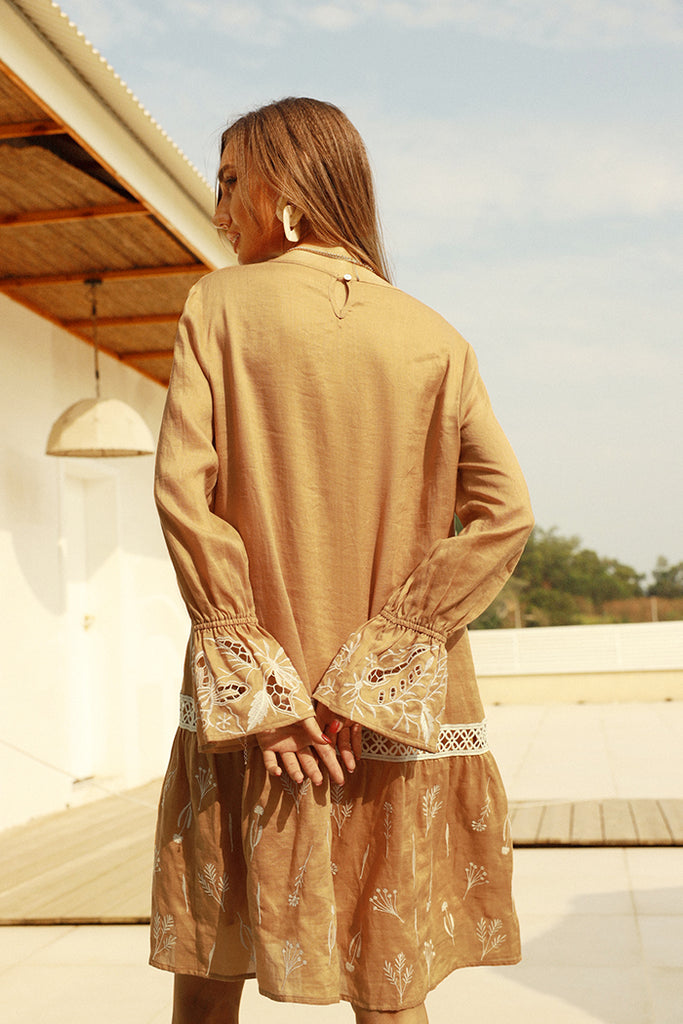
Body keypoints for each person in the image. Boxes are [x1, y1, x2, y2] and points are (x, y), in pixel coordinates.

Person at [150, 96, 533, 1024]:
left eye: (232, 181)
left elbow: (185, 501)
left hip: (259, 711)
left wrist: (266, 699)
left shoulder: (219, 305)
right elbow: (505, 516)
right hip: (386, 720)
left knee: (210, 969)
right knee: (389, 984)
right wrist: (373, 678)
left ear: (288, 190)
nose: (219, 207)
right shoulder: (434, 336)